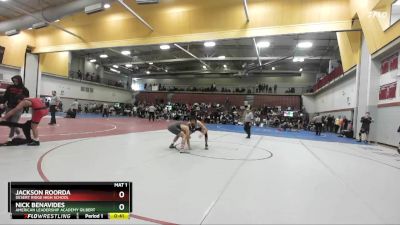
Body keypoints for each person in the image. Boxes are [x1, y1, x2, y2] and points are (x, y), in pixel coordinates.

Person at [0, 75, 30, 142]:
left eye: (16, 80)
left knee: (13, 122)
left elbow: (27, 99)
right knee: (8, 122)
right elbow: (5, 96)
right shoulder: (9, 87)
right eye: (14, 80)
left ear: (20, 80)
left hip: (18, 108)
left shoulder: (25, 90)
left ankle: (10, 137)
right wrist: (2, 103)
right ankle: (18, 133)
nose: (15, 81)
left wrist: (24, 106)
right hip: (9, 107)